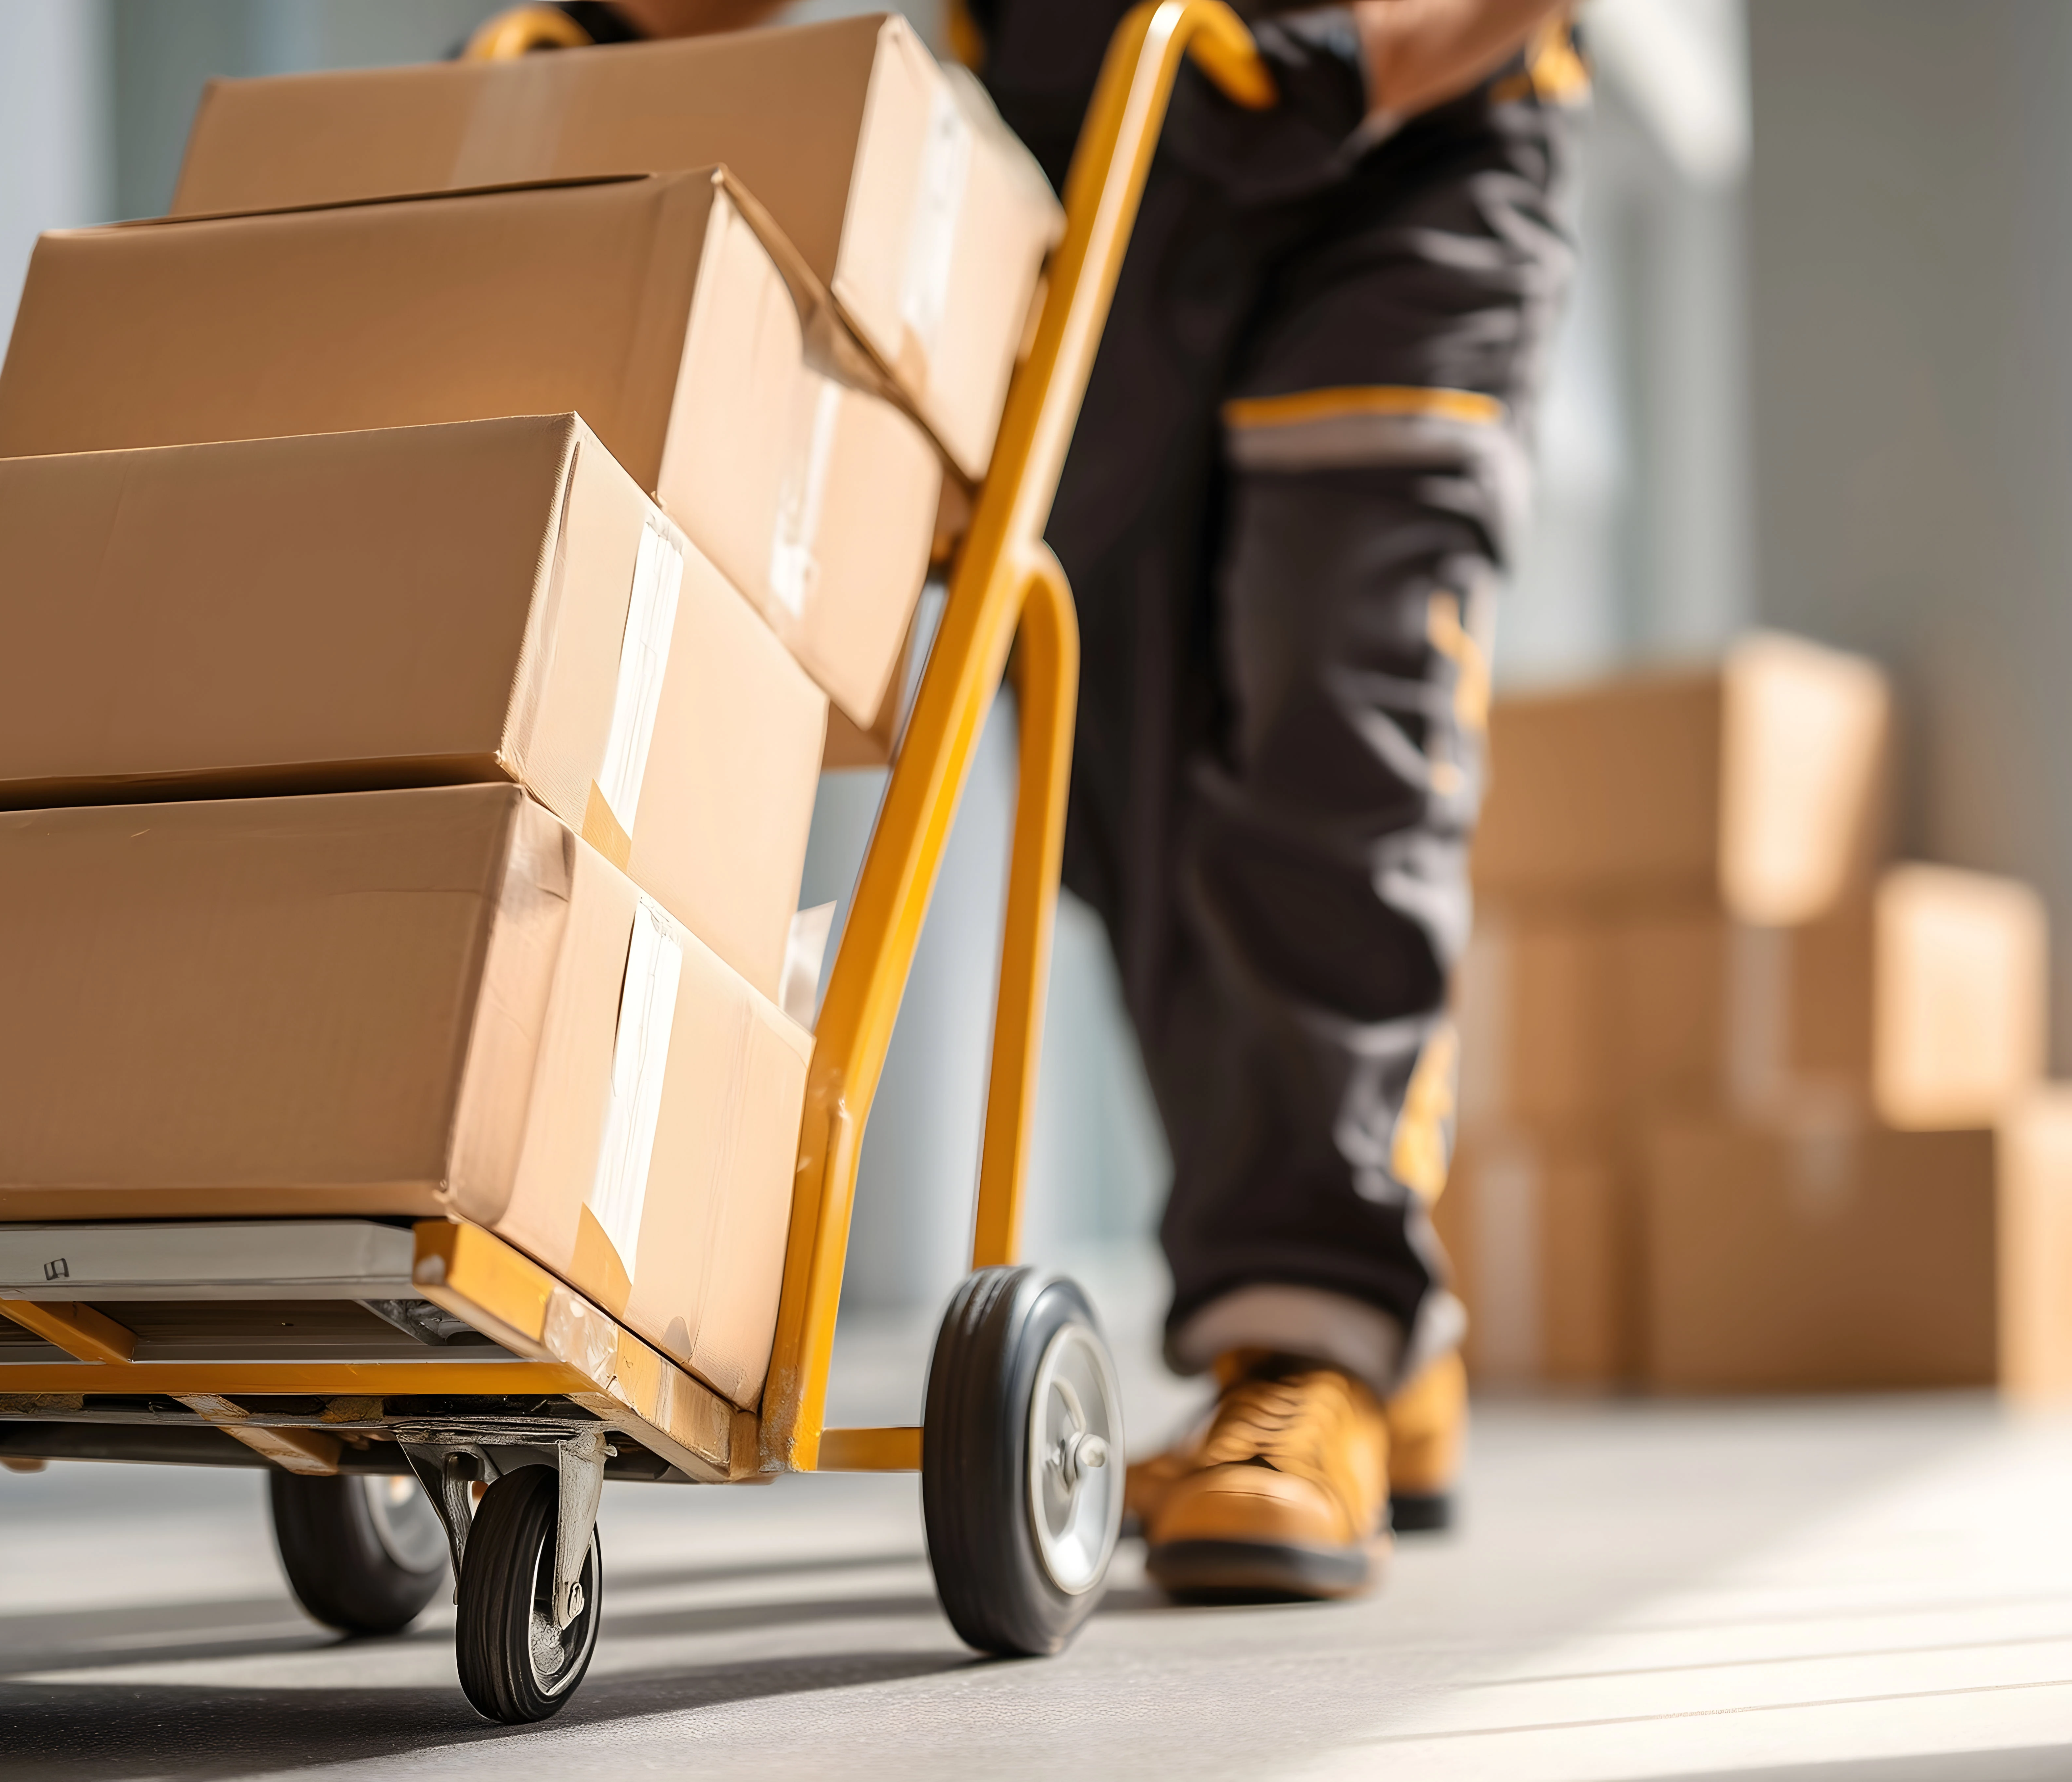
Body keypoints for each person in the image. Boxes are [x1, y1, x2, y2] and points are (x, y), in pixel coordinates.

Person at [552, 0, 1585, 1602]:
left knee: (1337, 691)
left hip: (1394, 142)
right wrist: (626, 32)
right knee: (1121, 757)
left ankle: (1308, 1332)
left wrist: (1369, 53)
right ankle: (1378, 1334)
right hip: (1089, 149)